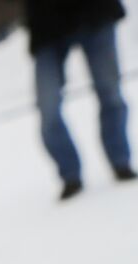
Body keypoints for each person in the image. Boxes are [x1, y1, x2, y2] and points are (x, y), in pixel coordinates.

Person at [24, 0, 133, 199]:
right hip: (45, 25)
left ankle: (121, 161)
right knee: (49, 110)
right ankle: (70, 175)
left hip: (95, 13)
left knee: (111, 93)